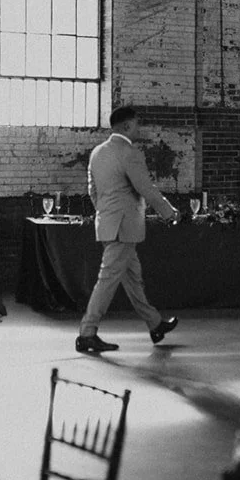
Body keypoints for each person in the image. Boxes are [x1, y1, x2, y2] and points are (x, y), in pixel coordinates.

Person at [76, 105, 181, 355]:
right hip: (125, 227)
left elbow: (93, 192)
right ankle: (87, 333)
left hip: (109, 224)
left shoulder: (97, 152)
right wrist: (169, 213)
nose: (139, 128)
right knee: (107, 280)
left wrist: (106, 213)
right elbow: (145, 187)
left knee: (133, 278)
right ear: (126, 126)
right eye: (137, 124)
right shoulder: (129, 152)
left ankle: (155, 325)